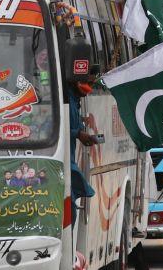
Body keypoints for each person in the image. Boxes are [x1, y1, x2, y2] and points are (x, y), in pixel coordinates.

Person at [69, 75, 99, 227]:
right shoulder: (65, 98)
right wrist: (78, 134)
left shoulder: (74, 100)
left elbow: (73, 123)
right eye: (88, 83)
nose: (90, 89)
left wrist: (81, 129)